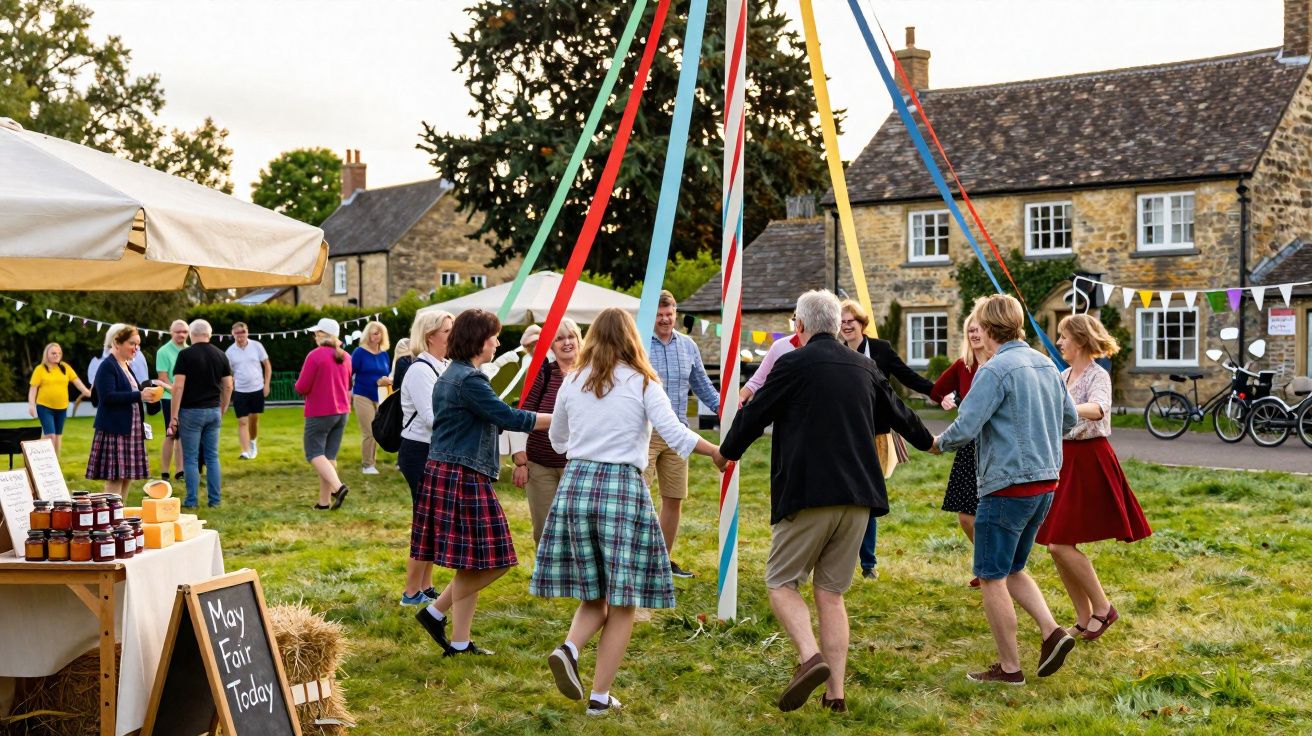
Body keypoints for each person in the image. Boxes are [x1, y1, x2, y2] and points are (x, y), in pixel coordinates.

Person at [718, 290, 934, 713]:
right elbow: (899, 412)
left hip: (809, 493)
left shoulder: (792, 363)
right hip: (860, 497)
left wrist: (727, 453)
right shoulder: (865, 366)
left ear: (799, 325)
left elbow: (756, 413)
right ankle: (835, 695)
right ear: (836, 325)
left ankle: (809, 658)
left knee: (781, 582)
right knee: (831, 594)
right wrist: (929, 442)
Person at [532, 308, 723, 717]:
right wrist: (715, 451)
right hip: (620, 488)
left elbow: (558, 440)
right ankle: (599, 698)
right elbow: (674, 431)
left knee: (594, 593)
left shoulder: (572, 381)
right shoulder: (642, 381)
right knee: (623, 602)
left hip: (576, 485)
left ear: (592, 338)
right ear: (631, 338)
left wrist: (586, 438)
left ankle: (569, 648)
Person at [933, 294, 1078, 685]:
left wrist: (936, 444)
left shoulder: (994, 370)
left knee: (991, 576)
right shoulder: (1047, 363)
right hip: (1046, 484)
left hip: (1007, 486)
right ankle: (1053, 632)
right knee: (1012, 567)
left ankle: (1010, 669)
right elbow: (1070, 418)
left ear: (987, 327)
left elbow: (965, 426)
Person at [412, 309, 549, 659]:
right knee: (497, 561)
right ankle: (435, 612)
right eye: (494, 337)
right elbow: (509, 417)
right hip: (462, 475)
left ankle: (459, 642)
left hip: (452, 471)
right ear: (479, 340)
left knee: (471, 562)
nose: (498, 343)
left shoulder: (454, 374)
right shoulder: (468, 380)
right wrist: (563, 417)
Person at [1039, 314, 1151, 640]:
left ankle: (1103, 608)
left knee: (1060, 543)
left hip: (1089, 459)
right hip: (1062, 459)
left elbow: (1099, 408)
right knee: (1056, 545)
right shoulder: (1062, 375)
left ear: (1080, 340)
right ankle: (1083, 616)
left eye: (1064, 336)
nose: (1059, 342)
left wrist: (1067, 408)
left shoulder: (1098, 375)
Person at [839, 299, 945, 581]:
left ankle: (868, 563)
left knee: (867, 497)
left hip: (876, 434)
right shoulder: (836, 351)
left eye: (851, 321)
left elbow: (907, 376)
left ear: (862, 323)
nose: (846, 326)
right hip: (846, 434)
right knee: (845, 497)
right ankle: (842, 557)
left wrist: (938, 394)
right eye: (842, 322)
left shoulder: (881, 349)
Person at [646, 290, 720, 578]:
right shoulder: (639, 343)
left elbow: (702, 385)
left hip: (678, 434)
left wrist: (726, 410)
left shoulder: (688, 345)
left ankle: (662, 562)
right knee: (640, 497)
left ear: (676, 313)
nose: (665, 319)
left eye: (669, 314)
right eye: (659, 315)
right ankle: (638, 559)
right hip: (646, 432)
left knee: (674, 498)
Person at [929, 316, 992, 587]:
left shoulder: (998, 363)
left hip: (996, 445)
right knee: (967, 517)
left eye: (979, 329)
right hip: (968, 446)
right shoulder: (962, 365)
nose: (974, 334)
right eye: (970, 330)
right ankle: (988, 565)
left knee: (990, 515)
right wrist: (945, 399)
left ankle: (996, 569)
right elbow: (936, 391)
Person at [398, 309, 453, 605]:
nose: (453, 336)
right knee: (424, 522)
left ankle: (425, 585)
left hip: (433, 450)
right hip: (418, 451)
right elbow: (433, 419)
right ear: (430, 336)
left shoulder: (442, 365)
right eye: (447, 331)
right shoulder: (420, 370)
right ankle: (410, 592)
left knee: (431, 521)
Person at [511, 319, 581, 543]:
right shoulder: (543, 373)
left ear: (579, 339)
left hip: (578, 466)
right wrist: (520, 460)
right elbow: (522, 416)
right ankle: (545, 567)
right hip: (540, 465)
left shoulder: (590, 374)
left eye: (571, 337)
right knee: (545, 530)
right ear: (551, 345)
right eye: (559, 339)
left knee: (577, 530)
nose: (566, 343)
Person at [87, 325, 160, 494]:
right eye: (132, 343)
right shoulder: (108, 366)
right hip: (115, 429)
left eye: (138, 344)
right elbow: (107, 397)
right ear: (117, 343)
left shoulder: (125, 366)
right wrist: (139, 395)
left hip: (130, 429)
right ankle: (111, 511)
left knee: (127, 477)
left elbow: (131, 394)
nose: (136, 348)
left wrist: (148, 393)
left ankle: (120, 511)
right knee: (116, 478)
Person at [169, 320, 233, 509]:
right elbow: (228, 386)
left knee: (190, 458)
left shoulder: (185, 355)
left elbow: (178, 386)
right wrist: (223, 407)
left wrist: (174, 415)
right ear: (209, 334)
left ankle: (191, 501)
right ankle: (215, 501)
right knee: (212, 456)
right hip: (213, 410)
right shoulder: (221, 355)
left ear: (191, 334)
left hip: (191, 412)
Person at [295, 318, 353, 511]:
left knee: (314, 453)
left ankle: (338, 487)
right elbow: (348, 384)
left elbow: (302, 386)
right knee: (329, 456)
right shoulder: (346, 356)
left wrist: (298, 386)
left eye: (316, 333)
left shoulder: (315, 356)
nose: (314, 336)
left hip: (320, 411)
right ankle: (323, 502)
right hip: (342, 411)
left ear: (322, 335)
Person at [28, 342, 91, 456]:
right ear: (47, 354)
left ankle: (54, 461)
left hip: (62, 408)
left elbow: (76, 380)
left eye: (59, 353)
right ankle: (39, 457)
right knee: (50, 436)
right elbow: (33, 388)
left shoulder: (65, 367)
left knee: (57, 437)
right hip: (44, 407)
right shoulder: (40, 369)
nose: (57, 355)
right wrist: (31, 405)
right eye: (53, 353)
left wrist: (85, 391)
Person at [226, 322, 271, 460]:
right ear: (233, 334)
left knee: (253, 419)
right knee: (242, 421)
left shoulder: (257, 346)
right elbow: (228, 373)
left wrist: (266, 385)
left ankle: (253, 442)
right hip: (240, 391)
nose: (240, 335)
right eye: (237, 333)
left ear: (247, 332)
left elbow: (267, 365)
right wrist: (229, 386)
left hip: (257, 389)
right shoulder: (229, 352)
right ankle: (245, 451)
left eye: (243, 332)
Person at [351, 320, 391, 475]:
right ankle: (367, 465)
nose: (376, 336)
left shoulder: (384, 354)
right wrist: (347, 391)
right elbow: (349, 372)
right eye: (373, 333)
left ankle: (372, 462)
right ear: (367, 335)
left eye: (379, 333)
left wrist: (386, 380)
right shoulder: (359, 352)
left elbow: (386, 373)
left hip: (380, 396)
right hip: (362, 395)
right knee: (369, 431)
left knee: (379, 430)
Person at [155, 320, 189, 480]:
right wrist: (177, 392)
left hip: (187, 399)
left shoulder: (190, 350)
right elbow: (163, 378)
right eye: (178, 331)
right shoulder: (163, 351)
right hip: (169, 398)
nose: (182, 334)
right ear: (171, 332)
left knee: (183, 435)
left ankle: (180, 471)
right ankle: (165, 472)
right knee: (171, 433)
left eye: (185, 332)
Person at [738, 319, 801, 405]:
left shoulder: (819, 347)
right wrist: (740, 398)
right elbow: (756, 381)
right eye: (794, 318)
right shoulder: (780, 345)